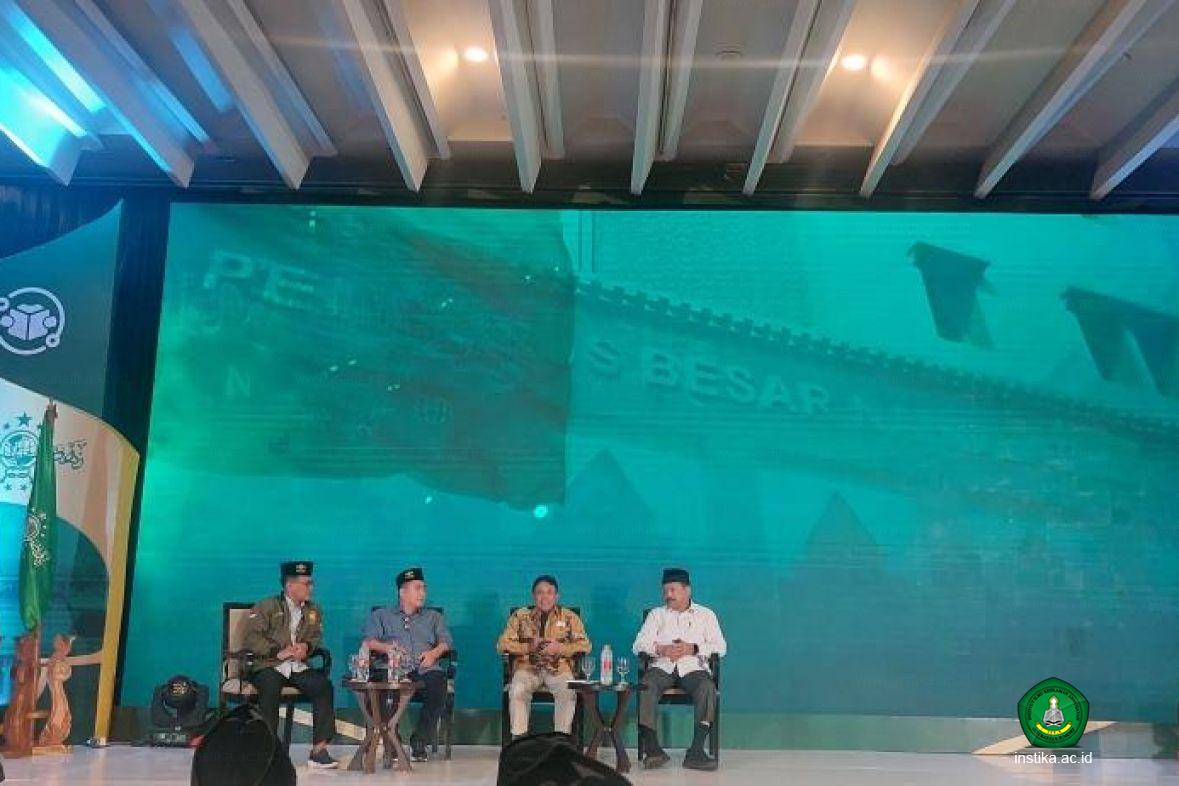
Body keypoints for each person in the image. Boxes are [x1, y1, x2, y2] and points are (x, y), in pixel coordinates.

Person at [242, 560, 337, 769]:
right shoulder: (266, 606)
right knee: (270, 687)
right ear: (290, 585)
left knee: (323, 686)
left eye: (311, 583)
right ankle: (268, 751)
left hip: (296, 665)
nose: (311, 588)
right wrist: (277, 651)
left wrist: (306, 646)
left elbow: (315, 636)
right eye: (307, 583)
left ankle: (319, 751)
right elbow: (251, 638)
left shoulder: (314, 610)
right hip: (269, 664)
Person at [632, 567, 726, 771]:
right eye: (665, 591)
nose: (668, 595)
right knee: (646, 685)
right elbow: (638, 645)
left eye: (672, 590)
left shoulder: (706, 615)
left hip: (693, 668)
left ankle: (696, 751)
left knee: (707, 688)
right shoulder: (657, 615)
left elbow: (721, 647)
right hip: (662, 666)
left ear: (687, 590)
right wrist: (661, 649)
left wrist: (693, 648)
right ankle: (653, 750)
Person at [363, 566, 453, 761]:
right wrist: (387, 648)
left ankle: (420, 740)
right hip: (393, 668)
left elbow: (446, 641)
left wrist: (434, 653)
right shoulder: (381, 615)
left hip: (424, 668)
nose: (423, 593)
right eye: (417, 588)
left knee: (438, 682)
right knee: (380, 687)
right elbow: (368, 642)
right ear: (402, 592)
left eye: (424, 588)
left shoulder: (434, 617)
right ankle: (392, 741)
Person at [497, 575, 591, 739]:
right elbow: (502, 645)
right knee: (517, 690)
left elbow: (585, 645)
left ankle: (561, 741)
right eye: (540, 592)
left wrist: (560, 648)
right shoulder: (520, 616)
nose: (544, 597)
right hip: (527, 668)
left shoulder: (569, 617)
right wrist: (528, 647)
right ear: (533, 595)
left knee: (567, 692)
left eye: (549, 592)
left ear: (557, 596)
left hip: (559, 669)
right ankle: (519, 741)